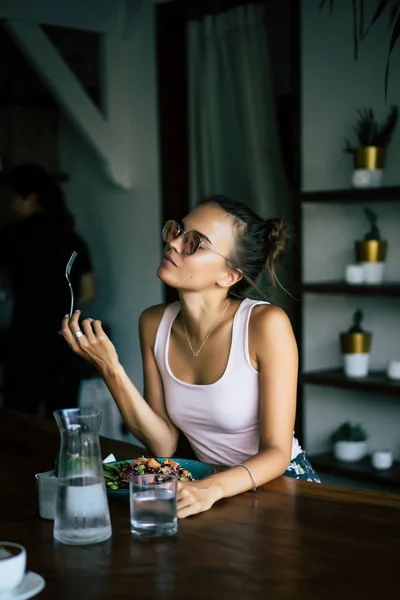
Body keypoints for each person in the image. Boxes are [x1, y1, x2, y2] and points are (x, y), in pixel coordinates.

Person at [61, 195, 320, 519]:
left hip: (281, 488)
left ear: (230, 275)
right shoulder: (154, 323)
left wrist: (211, 489)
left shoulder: (266, 325)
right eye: (177, 231)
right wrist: (109, 368)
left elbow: (278, 453)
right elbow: (163, 444)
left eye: (194, 243)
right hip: (206, 491)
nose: (174, 244)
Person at [0, 163, 96, 416]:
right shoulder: (72, 239)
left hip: (25, 339)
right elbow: (88, 291)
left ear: (31, 198)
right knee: (63, 420)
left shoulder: (9, 236)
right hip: (66, 340)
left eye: (13, 200)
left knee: (21, 419)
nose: (11, 206)